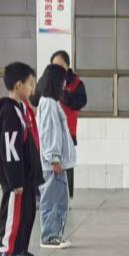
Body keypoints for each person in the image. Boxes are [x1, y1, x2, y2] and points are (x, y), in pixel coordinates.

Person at [0, 62, 42, 256]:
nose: (33, 89)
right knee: (11, 222)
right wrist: (15, 180)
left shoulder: (20, 110)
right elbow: (10, 149)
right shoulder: (10, 112)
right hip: (16, 182)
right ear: (19, 85)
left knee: (22, 220)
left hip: (25, 179)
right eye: (30, 84)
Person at [36, 64, 76, 250]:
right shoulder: (49, 104)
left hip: (56, 162)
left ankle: (55, 235)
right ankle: (49, 237)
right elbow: (49, 132)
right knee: (52, 200)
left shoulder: (50, 102)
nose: (64, 84)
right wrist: (54, 158)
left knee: (61, 200)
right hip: (53, 163)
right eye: (62, 81)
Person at [50, 51, 86, 199]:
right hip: (51, 131)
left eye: (60, 65)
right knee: (50, 161)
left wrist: (64, 96)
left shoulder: (76, 83)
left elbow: (81, 102)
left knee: (67, 163)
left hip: (68, 131)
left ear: (67, 65)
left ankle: (67, 196)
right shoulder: (48, 82)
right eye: (54, 65)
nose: (57, 69)